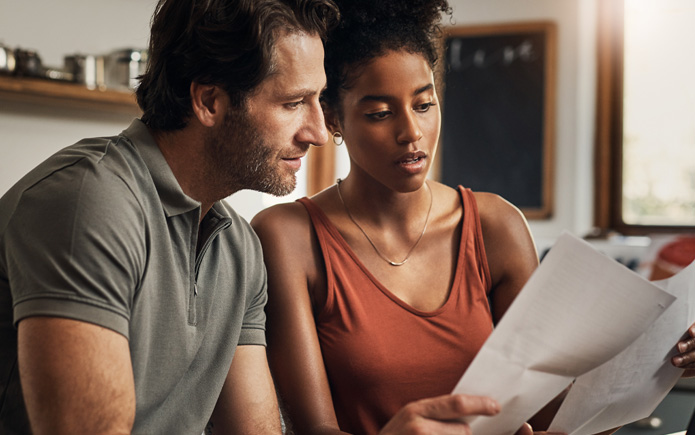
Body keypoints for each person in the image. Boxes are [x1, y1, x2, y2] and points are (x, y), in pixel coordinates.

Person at [251, 0, 695, 433]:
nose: (411, 133)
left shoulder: (494, 225)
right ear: (331, 118)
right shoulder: (289, 237)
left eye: (424, 105)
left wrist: (664, 362)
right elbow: (316, 428)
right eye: (380, 114)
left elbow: (550, 416)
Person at [0, 0, 339, 433]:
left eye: (318, 100)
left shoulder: (239, 248)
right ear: (210, 101)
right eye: (293, 103)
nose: (318, 132)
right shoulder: (89, 202)